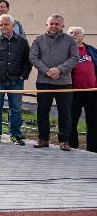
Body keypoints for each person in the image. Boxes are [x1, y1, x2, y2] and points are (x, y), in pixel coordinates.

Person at [30, 15, 79, 151]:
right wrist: (47, 71)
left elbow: (75, 58)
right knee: (42, 112)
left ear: (62, 26)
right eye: (51, 23)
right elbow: (33, 57)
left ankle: (64, 141)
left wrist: (59, 69)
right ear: (46, 25)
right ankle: (43, 139)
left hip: (64, 83)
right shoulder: (38, 39)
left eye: (57, 24)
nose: (54, 26)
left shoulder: (70, 40)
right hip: (44, 82)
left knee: (65, 113)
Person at [0, 14, 32, 145]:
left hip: (16, 81)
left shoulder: (22, 41)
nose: (3, 27)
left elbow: (28, 61)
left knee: (16, 109)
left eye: (6, 24)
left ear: (13, 25)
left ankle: (15, 135)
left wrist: (23, 76)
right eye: (1, 25)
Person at [68, 27, 97, 151]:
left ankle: (93, 148)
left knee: (93, 121)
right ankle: (72, 145)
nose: (74, 35)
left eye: (77, 33)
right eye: (71, 33)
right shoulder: (66, 51)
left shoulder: (91, 50)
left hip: (92, 91)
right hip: (74, 92)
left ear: (82, 36)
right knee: (72, 120)